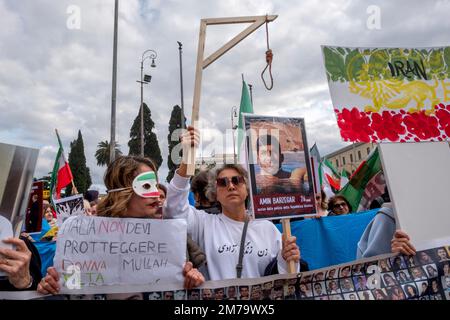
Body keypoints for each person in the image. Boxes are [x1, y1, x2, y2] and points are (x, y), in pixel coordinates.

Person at [37, 156, 205, 296]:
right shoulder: (84, 238)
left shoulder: (171, 239)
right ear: (122, 190)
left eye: (155, 185)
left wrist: (192, 279)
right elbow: (72, 285)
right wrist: (51, 287)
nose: (156, 194)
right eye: (146, 186)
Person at [164, 127, 300, 280]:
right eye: (222, 182)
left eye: (237, 180)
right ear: (215, 193)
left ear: (247, 189)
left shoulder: (267, 228)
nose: (231, 186)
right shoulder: (204, 224)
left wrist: (288, 258)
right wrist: (187, 160)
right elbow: (173, 210)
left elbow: (286, 277)